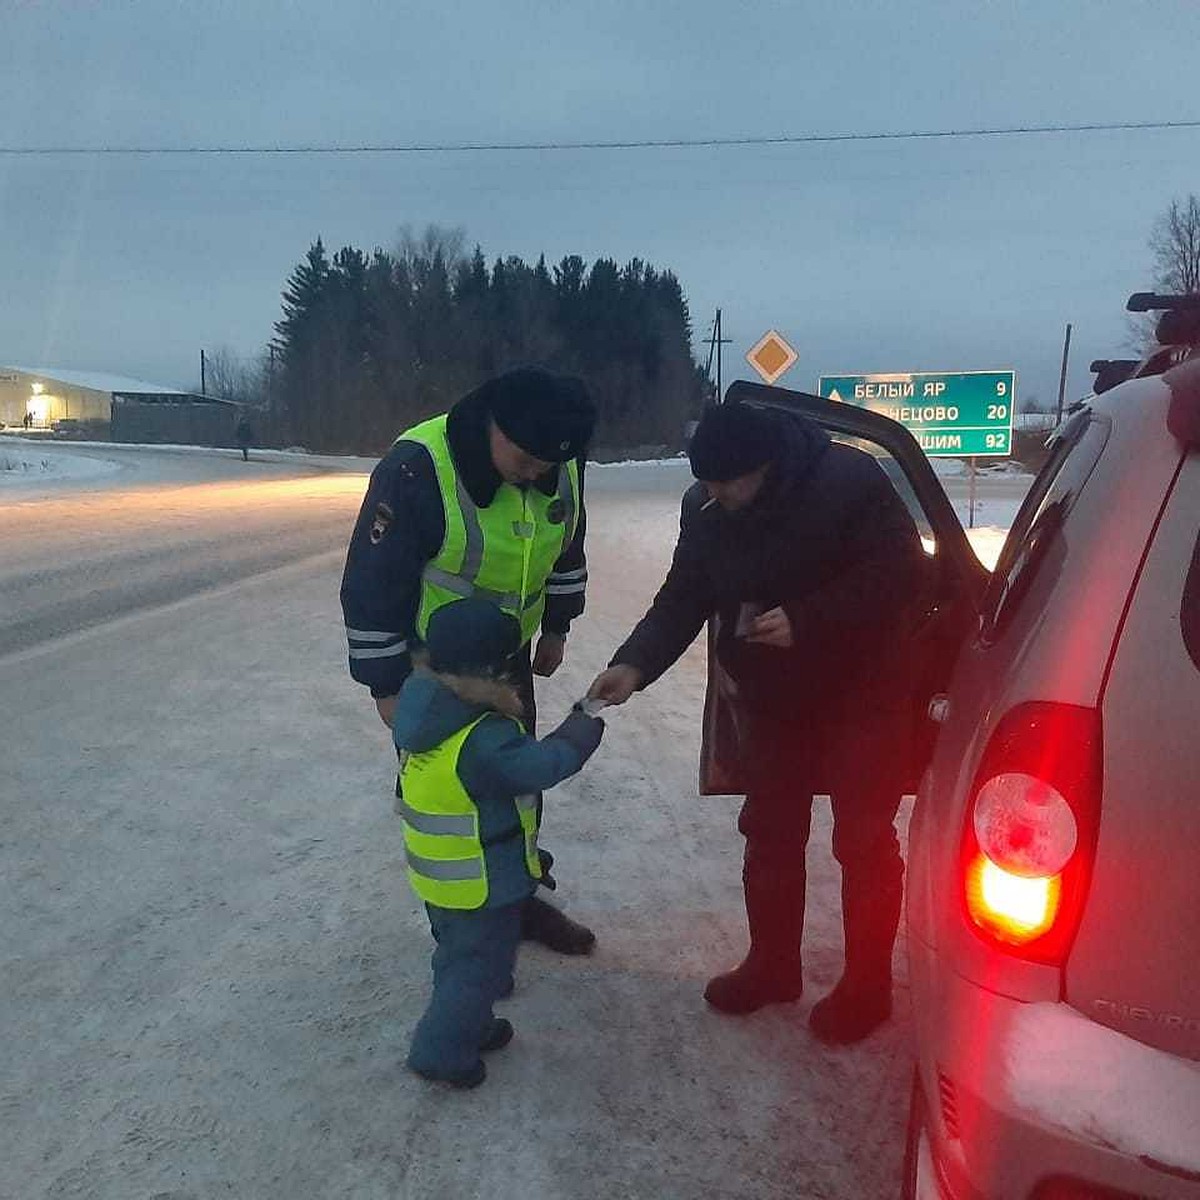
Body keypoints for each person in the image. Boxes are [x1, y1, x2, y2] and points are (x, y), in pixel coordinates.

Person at [588, 400, 927, 1044]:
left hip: (864, 690)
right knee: (769, 830)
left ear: (766, 467)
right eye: (705, 483)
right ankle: (773, 967)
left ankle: (868, 988)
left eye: (726, 483)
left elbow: (902, 574)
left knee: (862, 840)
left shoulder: (849, 482)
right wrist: (634, 664)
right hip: (773, 697)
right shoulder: (708, 506)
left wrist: (810, 617)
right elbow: (685, 592)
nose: (714, 495)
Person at [340, 365, 599, 956]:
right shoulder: (417, 467)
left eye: (549, 467)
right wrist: (386, 686)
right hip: (435, 668)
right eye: (528, 461)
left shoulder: (562, 460)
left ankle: (515, 898)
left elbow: (567, 542)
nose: (538, 476)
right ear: (493, 426)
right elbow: (371, 585)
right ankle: (459, 938)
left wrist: (557, 626)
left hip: (506, 657)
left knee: (515, 781)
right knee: (450, 804)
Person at [395, 598, 604, 1088]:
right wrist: (583, 722)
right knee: (481, 968)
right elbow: (544, 765)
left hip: (440, 874)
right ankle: (441, 1051)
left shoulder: (428, 709)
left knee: (457, 958)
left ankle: (470, 1021)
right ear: (493, 670)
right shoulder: (483, 737)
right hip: (480, 880)